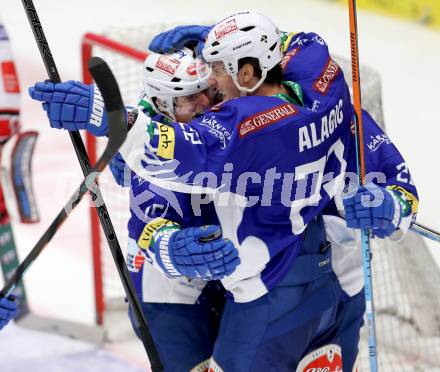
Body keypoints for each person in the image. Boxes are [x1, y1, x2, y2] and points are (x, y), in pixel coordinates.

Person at [29, 11, 418, 371]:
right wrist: (170, 247)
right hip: (179, 297)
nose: (207, 99)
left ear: (246, 72)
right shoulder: (320, 77)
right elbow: (145, 235)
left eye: (211, 83)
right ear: (161, 104)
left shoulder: (232, 129)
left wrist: (109, 119)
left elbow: (182, 146)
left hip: (294, 277)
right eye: (188, 97)